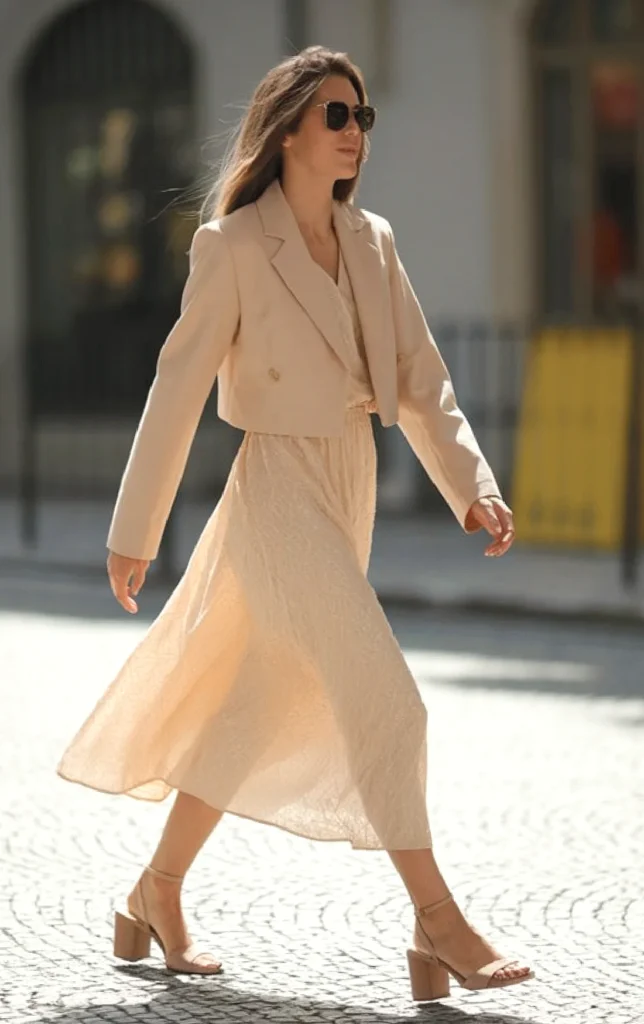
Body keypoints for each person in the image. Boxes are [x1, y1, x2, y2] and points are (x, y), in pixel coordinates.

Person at [57, 46, 533, 1001]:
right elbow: (178, 383)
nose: (355, 132)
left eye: (362, 117)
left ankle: (155, 890)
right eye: (336, 115)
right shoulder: (232, 245)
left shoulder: (374, 241)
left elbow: (418, 375)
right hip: (274, 485)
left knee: (258, 703)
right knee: (386, 698)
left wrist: (469, 482)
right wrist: (134, 529)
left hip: (347, 477)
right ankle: (437, 923)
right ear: (287, 130)